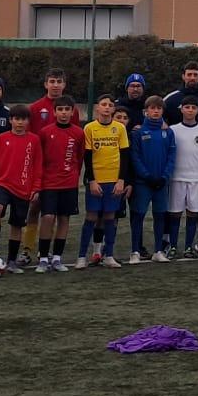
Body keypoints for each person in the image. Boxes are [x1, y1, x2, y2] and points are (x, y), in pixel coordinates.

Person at [0, 106, 41, 271]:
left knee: (17, 225)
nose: (20, 123)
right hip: (3, 184)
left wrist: (36, 188)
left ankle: (12, 261)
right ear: (10, 120)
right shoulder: (1, 138)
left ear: (28, 122)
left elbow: (37, 166)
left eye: (23, 119)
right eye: (16, 119)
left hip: (23, 188)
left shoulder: (34, 140)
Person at [77, 94, 129, 268]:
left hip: (114, 181)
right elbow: (87, 157)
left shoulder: (119, 128)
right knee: (91, 216)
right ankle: (82, 256)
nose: (107, 107)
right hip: (96, 181)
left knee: (109, 216)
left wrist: (121, 180)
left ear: (113, 109)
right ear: (97, 108)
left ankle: (109, 255)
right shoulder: (90, 128)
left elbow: (124, 156)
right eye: (103, 104)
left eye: (110, 105)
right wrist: (92, 180)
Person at [34, 98, 83, 272]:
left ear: (72, 112)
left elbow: (79, 157)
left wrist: (74, 176)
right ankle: (43, 257)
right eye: (60, 109)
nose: (63, 113)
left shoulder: (78, 133)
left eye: (67, 109)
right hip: (49, 183)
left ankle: (57, 258)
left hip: (69, 183)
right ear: (54, 112)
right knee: (47, 217)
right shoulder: (45, 132)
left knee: (64, 218)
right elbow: (39, 159)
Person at [130, 96, 176, 260]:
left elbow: (172, 156)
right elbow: (135, 157)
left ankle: (158, 251)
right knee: (138, 215)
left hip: (162, 183)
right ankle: (135, 251)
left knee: (160, 215)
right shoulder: (138, 132)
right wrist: (147, 176)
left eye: (159, 108)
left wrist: (164, 176)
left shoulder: (168, 132)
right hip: (144, 182)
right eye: (152, 108)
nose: (156, 111)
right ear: (146, 111)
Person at [168, 96, 198, 259]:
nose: (190, 110)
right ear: (181, 109)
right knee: (175, 213)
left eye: (193, 108)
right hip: (176, 178)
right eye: (187, 107)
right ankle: (172, 246)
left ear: (197, 110)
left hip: (196, 179)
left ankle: (188, 247)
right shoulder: (173, 129)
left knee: (193, 213)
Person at [162, 62, 198, 128]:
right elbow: (154, 115)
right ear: (183, 77)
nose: (192, 78)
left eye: (195, 75)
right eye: (189, 75)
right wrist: (162, 123)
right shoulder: (172, 98)